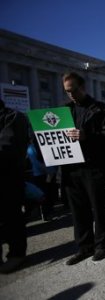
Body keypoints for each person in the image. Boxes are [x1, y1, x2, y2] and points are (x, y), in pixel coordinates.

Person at [61, 72, 105, 265]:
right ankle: (84, 247)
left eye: (74, 90)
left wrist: (86, 136)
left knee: (99, 208)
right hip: (71, 168)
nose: (71, 94)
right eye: (67, 91)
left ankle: (102, 245)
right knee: (78, 211)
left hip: (94, 166)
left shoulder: (100, 109)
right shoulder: (63, 111)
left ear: (83, 87)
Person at [0, 98, 28, 273]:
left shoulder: (13, 117)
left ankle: (16, 254)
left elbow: (8, 146)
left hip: (7, 178)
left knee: (12, 217)